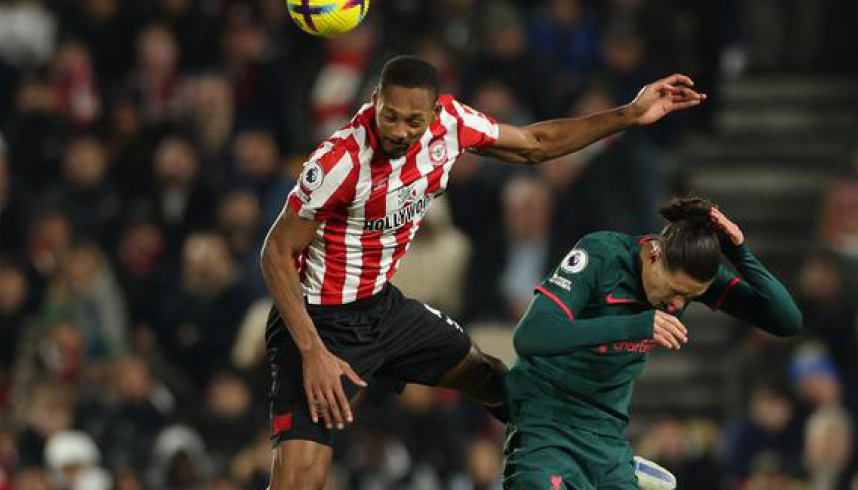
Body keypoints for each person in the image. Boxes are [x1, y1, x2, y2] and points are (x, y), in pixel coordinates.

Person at [260, 55, 705, 490]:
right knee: (300, 479)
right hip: (319, 321)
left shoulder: (451, 123)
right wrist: (313, 352)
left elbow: (536, 144)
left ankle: (603, 458)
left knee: (493, 379)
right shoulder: (340, 161)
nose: (398, 131)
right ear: (374, 100)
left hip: (381, 306)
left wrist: (629, 114)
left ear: (434, 112)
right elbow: (276, 252)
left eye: (412, 121)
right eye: (389, 116)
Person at [502, 197, 803, 490]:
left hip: (607, 437)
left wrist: (739, 252)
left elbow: (786, 320)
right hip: (546, 423)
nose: (676, 305)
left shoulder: (687, 278)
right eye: (674, 291)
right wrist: (635, 325)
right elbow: (531, 335)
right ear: (654, 255)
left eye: (690, 297)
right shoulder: (601, 254)